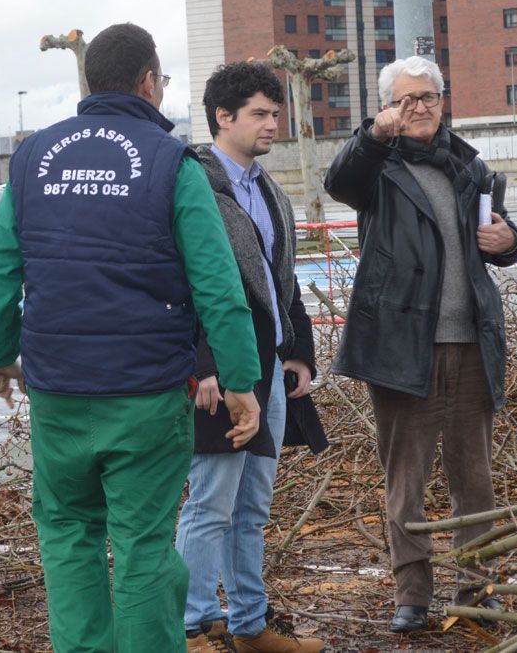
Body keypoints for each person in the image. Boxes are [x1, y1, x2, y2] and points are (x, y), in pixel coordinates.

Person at [0, 23, 262, 653]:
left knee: (69, 534)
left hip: (58, 392)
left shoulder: (31, 159)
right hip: (145, 393)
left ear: (89, 81)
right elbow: (218, 285)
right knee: (143, 544)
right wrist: (240, 382)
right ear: (149, 82)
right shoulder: (171, 162)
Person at [323, 56, 517, 634]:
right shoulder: (376, 168)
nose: (420, 107)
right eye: (407, 99)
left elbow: (505, 241)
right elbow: (338, 180)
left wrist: (509, 239)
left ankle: (476, 588)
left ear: (444, 100)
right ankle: (411, 593)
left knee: (475, 481)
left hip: (470, 344)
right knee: (405, 481)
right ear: (388, 104)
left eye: (429, 96)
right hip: (400, 347)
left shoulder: (469, 166)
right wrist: (374, 132)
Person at [175, 62, 327, 653]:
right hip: (222, 371)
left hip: (270, 367)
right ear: (223, 116)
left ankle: (248, 625)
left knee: (252, 506)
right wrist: (203, 366)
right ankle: (188, 626)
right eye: (261, 113)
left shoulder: (266, 187)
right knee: (210, 501)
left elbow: (279, 282)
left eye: (276, 112)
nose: (273, 123)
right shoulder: (193, 186)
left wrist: (301, 356)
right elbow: (186, 285)